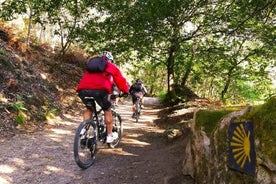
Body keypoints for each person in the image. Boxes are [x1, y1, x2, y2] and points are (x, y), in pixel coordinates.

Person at [76, 51, 129, 143]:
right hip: (100, 91)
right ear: (110, 60)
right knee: (107, 110)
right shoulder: (111, 66)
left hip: (83, 90)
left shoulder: (91, 65)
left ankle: (83, 130)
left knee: (90, 108)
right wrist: (125, 90)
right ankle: (109, 136)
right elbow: (120, 80)